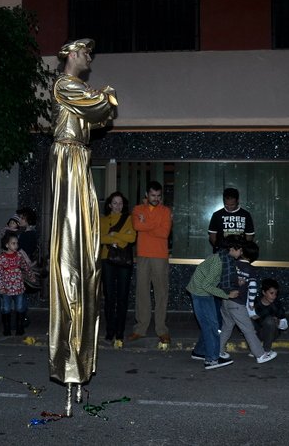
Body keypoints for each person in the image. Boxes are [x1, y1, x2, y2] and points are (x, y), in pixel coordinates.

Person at [48, 37, 117, 414]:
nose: (89, 57)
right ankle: (68, 358)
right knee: (70, 250)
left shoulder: (75, 88)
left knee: (85, 254)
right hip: (69, 160)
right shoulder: (65, 84)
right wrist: (106, 94)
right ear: (73, 54)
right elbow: (100, 107)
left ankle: (79, 360)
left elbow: (100, 117)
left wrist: (103, 100)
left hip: (79, 159)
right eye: (86, 52)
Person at [216, 239, 276, 366]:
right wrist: (251, 303)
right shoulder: (250, 269)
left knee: (226, 327)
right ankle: (260, 355)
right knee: (248, 330)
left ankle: (218, 351)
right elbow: (252, 288)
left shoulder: (232, 263)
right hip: (238, 304)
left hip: (225, 300)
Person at [128, 181, 173, 345]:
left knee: (161, 293)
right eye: (153, 195)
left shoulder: (165, 211)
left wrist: (146, 222)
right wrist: (155, 223)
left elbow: (164, 233)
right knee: (142, 292)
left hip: (160, 255)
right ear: (147, 195)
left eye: (158, 196)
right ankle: (140, 329)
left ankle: (162, 330)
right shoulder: (138, 209)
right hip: (142, 255)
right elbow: (137, 225)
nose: (156, 198)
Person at [186, 250, 237, 370]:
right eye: (240, 250)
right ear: (232, 249)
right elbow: (206, 285)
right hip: (201, 293)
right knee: (211, 326)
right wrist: (227, 295)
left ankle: (200, 352)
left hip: (200, 292)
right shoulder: (219, 262)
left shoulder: (223, 258)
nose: (241, 253)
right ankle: (212, 360)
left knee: (209, 325)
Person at [99, 191, 136, 349]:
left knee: (122, 297)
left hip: (123, 261)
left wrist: (114, 235)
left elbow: (132, 238)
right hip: (107, 259)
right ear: (109, 204)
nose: (117, 206)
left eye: (120, 203)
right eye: (115, 203)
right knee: (109, 297)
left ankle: (120, 332)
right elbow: (100, 238)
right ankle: (110, 331)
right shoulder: (103, 219)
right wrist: (120, 237)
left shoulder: (129, 219)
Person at [0, 232, 34, 336]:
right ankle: (7, 329)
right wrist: (0, 287)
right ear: (7, 245)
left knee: (20, 307)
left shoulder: (19, 256)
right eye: (13, 243)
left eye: (17, 243)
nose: (16, 245)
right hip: (6, 288)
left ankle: (19, 328)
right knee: (6, 308)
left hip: (18, 286)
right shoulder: (2, 257)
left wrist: (31, 276)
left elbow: (25, 267)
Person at [208, 187, 255, 253]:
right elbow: (212, 236)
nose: (229, 207)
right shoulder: (217, 215)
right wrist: (218, 248)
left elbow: (249, 236)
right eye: (226, 205)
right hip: (222, 252)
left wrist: (243, 250)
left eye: (232, 205)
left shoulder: (245, 215)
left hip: (240, 253)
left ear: (237, 201)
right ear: (223, 201)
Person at [253, 278, 288, 353]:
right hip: (257, 333)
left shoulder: (277, 304)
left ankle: (266, 351)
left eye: (275, 294)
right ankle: (255, 348)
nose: (274, 296)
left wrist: (278, 322)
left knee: (269, 320)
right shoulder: (255, 302)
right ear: (264, 292)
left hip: (272, 334)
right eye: (271, 293)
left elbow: (285, 325)